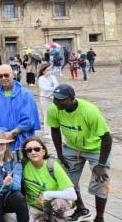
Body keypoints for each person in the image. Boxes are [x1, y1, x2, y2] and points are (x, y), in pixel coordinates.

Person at [47, 84, 112, 222]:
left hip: (96, 148)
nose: (57, 102)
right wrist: (60, 154)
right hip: (71, 147)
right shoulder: (54, 108)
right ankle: (82, 209)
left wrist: (101, 164)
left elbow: (107, 138)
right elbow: (54, 130)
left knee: (100, 182)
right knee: (67, 181)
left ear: (72, 98)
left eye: (61, 100)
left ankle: (99, 218)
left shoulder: (90, 111)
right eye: (55, 99)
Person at [0, 64, 40, 157]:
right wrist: (3, 134)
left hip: (19, 139)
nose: (3, 78)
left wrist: (13, 133)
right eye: (0, 76)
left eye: (6, 75)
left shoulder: (25, 95)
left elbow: (29, 119)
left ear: (13, 74)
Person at [21, 137, 76, 222]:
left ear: (43, 151)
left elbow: (72, 195)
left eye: (37, 149)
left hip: (55, 203)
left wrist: (47, 194)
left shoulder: (52, 165)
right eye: (29, 150)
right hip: (36, 206)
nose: (33, 152)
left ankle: (59, 219)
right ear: (26, 154)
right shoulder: (23, 166)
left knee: (59, 203)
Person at [36, 63, 58, 138]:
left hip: (53, 97)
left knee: (54, 115)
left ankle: (54, 130)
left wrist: (54, 88)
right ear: (43, 71)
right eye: (48, 70)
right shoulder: (41, 78)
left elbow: (57, 85)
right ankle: (47, 133)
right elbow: (44, 88)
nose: (49, 71)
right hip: (45, 98)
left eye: (50, 69)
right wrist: (53, 88)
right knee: (47, 115)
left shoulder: (53, 76)